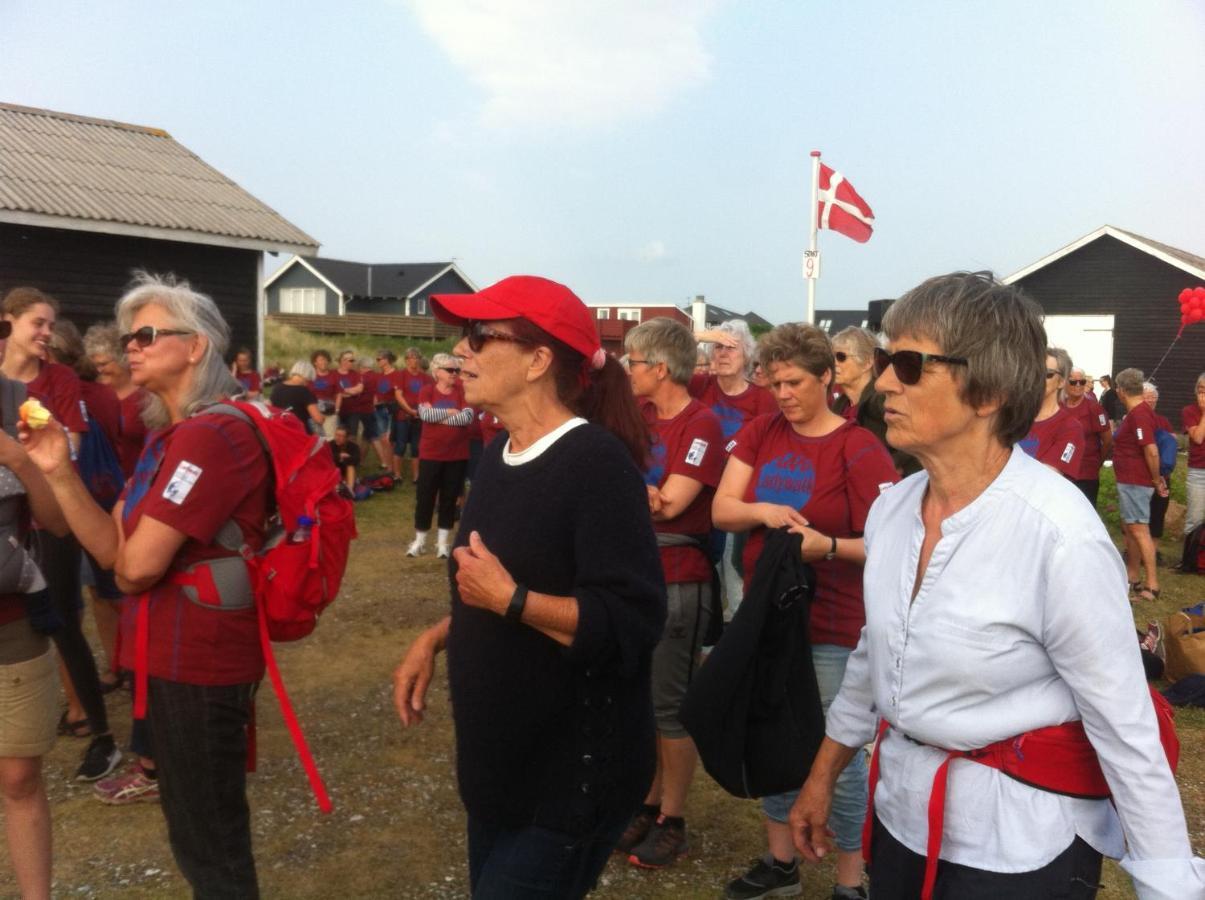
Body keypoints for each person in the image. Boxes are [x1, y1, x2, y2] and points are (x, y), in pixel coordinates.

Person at [788, 272, 1204, 898]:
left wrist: (1170, 884)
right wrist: (822, 777)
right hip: (903, 812)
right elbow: (875, 654)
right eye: (883, 360)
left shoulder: (1059, 534)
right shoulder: (894, 509)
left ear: (987, 392)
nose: (881, 383)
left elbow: (1124, 724)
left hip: (1018, 841)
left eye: (907, 364)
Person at [392, 275, 665, 900]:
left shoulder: (596, 465)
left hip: (569, 777)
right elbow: (484, 586)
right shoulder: (497, 455)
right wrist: (436, 638)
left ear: (539, 360)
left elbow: (633, 622)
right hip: (502, 771)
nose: (461, 351)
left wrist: (512, 601)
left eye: (480, 336)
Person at [23, 272, 271, 896]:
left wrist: (128, 557)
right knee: (194, 830)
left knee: (211, 842)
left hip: (203, 662)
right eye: (130, 336)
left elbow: (135, 569)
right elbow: (112, 551)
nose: (130, 346)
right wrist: (56, 468)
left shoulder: (212, 436)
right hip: (171, 656)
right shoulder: (169, 438)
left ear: (196, 348)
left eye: (148, 334)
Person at [713, 323, 899, 900]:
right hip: (766, 616)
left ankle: (850, 878)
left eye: (795, 382)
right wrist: (763, 510)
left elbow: (892, 545)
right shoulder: (762, 429)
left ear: (827, 377)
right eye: (774, 383)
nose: (784, 394)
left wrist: (829, 547)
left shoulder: (859, 447)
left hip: (831, 624)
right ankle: (781, 863)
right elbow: (723, 509)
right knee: (767, 734)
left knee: (833, 751)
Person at [616, 318, 724, 869]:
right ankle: (650, 801)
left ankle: (674, 821)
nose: (626, 370)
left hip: (679, 578)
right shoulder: (642, 419)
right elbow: (623, 487)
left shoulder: (700, 423)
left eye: (632, 362)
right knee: (644, 701)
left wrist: (638, 491)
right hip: (640, 573)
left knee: (669, 705)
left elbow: (673, 503)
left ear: (659, 368)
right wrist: (642, 491)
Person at [0, 287, 119, 782]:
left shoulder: (59, 380)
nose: (47, 333)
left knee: (64, 620)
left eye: (51, 324)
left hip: (52, 510)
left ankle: (102, 735)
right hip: (8, 519)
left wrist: (21, 458)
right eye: (37, 323)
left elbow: (67, 445)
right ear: (7, 322)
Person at [0, 319, 70, 900]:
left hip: (11, 619)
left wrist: (21, 463)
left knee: (19, 777)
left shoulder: (25, 407)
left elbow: (56, 520)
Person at [689, 319, 777, 619]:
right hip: (697, 494)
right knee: (704, 576)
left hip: (737, 497)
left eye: (731, 348)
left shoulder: (764, 400)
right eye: (717, 347)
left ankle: (737, 641)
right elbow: (668, 358)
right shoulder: (699, 386)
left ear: (747, 356)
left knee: (734, 574)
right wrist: (698, 336)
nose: (723, 354)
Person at [828, 325, 918, 477]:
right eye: (831, 358)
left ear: (868, 362)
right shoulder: (839, 405)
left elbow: (917, 433)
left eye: (841, 357)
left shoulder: (881, 399)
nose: (834, 363)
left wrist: (890, 464)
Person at [407, 353, 472, 559]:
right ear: (437, 372)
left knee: (449, 498)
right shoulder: (427, 390)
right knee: (425, 497)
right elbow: (425, 415)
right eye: (450, 370)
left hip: (457, 455)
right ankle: (420, 540)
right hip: (431, 454)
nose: (455, 374)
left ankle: (443, 542)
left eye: (456, 370)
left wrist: (439, 416)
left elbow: (467, 418)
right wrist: (452, 412)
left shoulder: (462, 390)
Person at [1112, 368, 1166, 601]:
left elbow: (1151, 450)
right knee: (1131, 529)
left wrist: (1155, 480)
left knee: (1139, 529)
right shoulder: (1138, 413)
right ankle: (1132, 576)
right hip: (1129, 480)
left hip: (1136, 480)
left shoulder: (1139, 414)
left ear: (1121, 391)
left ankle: (1152, 584)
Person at [85, 323, 148, 480]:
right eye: (94, 365)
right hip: (100, 485)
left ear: (123, 360)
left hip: (133, 482)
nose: (98, 370)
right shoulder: (93, 394)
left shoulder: (147, 398)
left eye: (103, 364)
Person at [1020, 347, 1082, 479]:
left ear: (1061, 382)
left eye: (1047, 374)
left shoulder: (1070, 427)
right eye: (1034, 372)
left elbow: (1048, 476)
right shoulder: (1012, 419)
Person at [1062, 365, 1112, 506]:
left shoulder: (1094, 408)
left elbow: (1108, 441)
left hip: (1086, 472)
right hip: (1062, 472)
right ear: (1065, 383)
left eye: (1082, 382)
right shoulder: (1059, 406)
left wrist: (1098, 462)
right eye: (1073, 382)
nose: (1078, 385)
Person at [1143, 382, 1175, 547]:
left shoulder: (1163, 421)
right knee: (1137, 516)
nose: (1150, 401)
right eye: (1146, 397)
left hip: (1161, 475)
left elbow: (1171, 444)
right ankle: (1133, 551)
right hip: (1140, 475)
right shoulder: (1132, 419)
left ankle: (1153, 551)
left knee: (1157, 514)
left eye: (1153, 398)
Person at [392, 348, 430, 483]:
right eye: (409, 358)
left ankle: (417, 476)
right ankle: (396, 474)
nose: (412, 360)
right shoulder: (400, 375)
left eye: (415, 358)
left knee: (417, 447)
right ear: (406, 360)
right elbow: (398, 396)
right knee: (400, 445)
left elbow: (430, 397)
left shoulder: (426, 378)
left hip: (421, 416)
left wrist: (422, 412)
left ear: (419, 360)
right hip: (404, 416)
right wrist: (410, 410)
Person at [1181, 371, 1205, 564]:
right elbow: (1197, 437)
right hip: (1198, 471)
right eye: (1200, 389)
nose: (1202, 394)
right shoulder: (1189, 411)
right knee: (1195, 516)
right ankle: (1190, 559)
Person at [270, 361, 324, 433]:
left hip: (279, 431)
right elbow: (318, 419)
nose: (308, 383)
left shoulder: (277, 388)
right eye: (309, 380)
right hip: (298, 433)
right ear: (306, 376)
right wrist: (323, 417)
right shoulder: (304, 392)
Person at [372, 350, 399, 474]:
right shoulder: (379, 376)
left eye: (379, 359)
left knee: (389, 440)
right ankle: (388, 466)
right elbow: (377, 393)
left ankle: (393, 467)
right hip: (379, 409)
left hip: (391, 409)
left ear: (387, 360)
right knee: (383, 438)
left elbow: (398, 394)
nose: (377, 361)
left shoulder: (397, 375)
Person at [310, 349, 338, 439]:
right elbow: (306, 395)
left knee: (330, 438)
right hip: (314, 412)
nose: (324, 362)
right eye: (321, 359)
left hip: (330, 413)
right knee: (316, 439)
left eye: (326, 359)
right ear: (315, 362)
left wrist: (337, 411)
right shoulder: (311, 376)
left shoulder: (334, 375)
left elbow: (338, 394)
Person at [330, 424, 360, 495]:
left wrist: (343, 459)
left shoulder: (353, 447)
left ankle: (350, 491)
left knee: (350, 466)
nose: (337, 438)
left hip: (346, 472)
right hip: (333, 471)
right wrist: (339, 456)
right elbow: (326, 458)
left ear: (347, 438)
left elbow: (356, 460)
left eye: (341, 436)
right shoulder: (330, 445)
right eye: (336, 435)